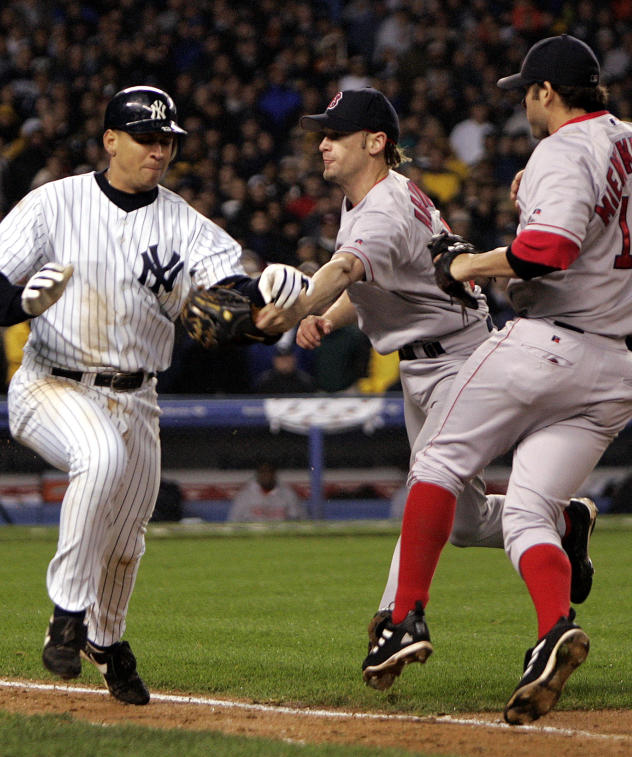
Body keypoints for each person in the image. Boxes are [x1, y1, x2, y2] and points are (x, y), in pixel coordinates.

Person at [352, 36, 632, 725]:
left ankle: (404, 616)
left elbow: (550, 250)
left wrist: (469, 265)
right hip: (620, 367)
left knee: (439, 461)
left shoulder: (563, 149)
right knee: (530, 512)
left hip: (552, 342)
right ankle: (553, 628)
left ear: (545, 92)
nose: (523, 107)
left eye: (525, 94)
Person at [0, 85, 309, 706]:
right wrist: (20, 305)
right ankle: (67, 610)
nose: (159, 150)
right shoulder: (54, 203)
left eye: (167, 141)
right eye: (147, 138)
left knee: (125, 544)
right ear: (111, 140)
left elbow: (226, 308)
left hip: (138, 398)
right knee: (98, 457)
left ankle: (107, 639)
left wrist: (267, 301)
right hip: (51, 383)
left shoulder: (185, 223)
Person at [257, 85, 599, 688]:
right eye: (321, 133)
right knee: (462, 522)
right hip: (429, 358)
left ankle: (400, 618)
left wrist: (297, 305)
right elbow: (378, 284)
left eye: (335, 134)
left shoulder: (383, 207)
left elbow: (344, 269)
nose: (323, 144)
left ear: (376, 141)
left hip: (456, 359)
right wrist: (328, 316)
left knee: (429, 480)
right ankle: (564, 523)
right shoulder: (372, 198)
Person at [228, 461, 306, 521]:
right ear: (258, 474)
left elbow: (299, 519)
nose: (266, 475)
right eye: (263, 472)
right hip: (253, 537)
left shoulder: (288, 494)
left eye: (269, 472)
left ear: (274, 474)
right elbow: (234, 521)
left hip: (281, 537)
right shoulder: (245, 495)